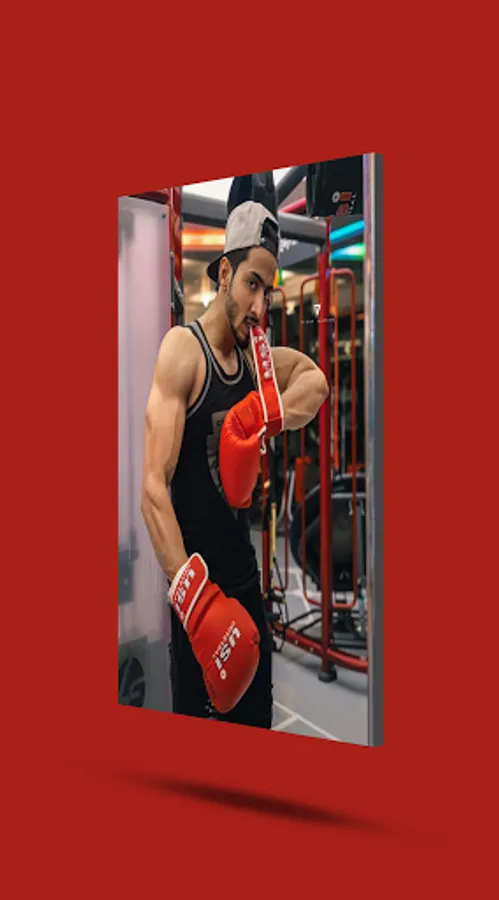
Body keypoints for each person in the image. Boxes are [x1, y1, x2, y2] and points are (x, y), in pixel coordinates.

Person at [141, 182, 329, 729]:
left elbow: (315, 382)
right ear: (224, 273)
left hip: (247, 587)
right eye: (251, 284)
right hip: (200, 599)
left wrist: (262, 413)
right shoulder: (184, 351)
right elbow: (152, 490)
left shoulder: (257, 359)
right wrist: (198, 607)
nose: (259, 306)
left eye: (267, 290)